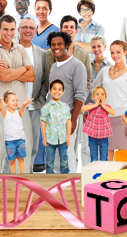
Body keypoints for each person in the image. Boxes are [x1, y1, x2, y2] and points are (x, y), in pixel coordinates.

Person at [0, 15, 35, 174]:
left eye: (12, 29)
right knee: (0, 149)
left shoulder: (20, 48)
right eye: (5, 29)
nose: (9, 32)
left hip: (20, 105)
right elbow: (3, 76)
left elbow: (31, 76)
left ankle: (23, 185)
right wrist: (20, 69)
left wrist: (11, 70)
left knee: (24, 146)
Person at [42, 16, 91, 173]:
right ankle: (56, 188)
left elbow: (80, 94)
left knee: (67, 156)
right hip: (52, 118)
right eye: (53, 45)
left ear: (66, 45)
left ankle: (70, 189)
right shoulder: (55, 66)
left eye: (60, 44)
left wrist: (74, 118)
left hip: (67, 117)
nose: (56, 47)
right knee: (54, 157)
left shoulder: (77, 66)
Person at [91, 40, 127, 160]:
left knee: (124, 159)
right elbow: (93, 87)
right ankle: (106, 179)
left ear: (125, 52)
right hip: (105, 119)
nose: (115, 55)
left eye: (118, 52)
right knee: (106, 158)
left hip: (123, 119)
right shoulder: (105, 70)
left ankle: (123, 179)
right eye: (112, 52)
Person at [18, 17, 48, 172]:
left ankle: (28, 180)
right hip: (15, 108)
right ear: (18, 30)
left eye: (31, 27)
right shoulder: (12, 50)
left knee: (33, 146)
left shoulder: (42, 54)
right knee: (16, 147)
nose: (28, 30)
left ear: (35, 31)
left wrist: (40, 101)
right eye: (24, 27)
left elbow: (45, 80)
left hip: (34, 107)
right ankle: (14, 180)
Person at [0, 91, 31, 173]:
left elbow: (22, 108)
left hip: (20, 140)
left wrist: (25, 104)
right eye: (13, 100)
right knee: (12, 160)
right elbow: (1, 108)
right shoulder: (5, 113)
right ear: (6, 103)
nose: (15, 102)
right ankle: (13, 175)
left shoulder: (19, 113)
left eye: (17, 100)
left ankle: (22, 175)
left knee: (21, 159)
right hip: (9, 141)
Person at [41, 79, 71, 173]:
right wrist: (44, 137)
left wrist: (68, 137)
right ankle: (50, 181)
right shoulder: (47, 107)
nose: (57, 91)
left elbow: (68, 121)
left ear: (62, 91)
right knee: (49, 162)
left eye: (59, 89)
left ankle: (65, 180)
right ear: (50, 91)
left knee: (64, 161)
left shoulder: (65, 107)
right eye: (54, 89)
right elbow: (43, 122)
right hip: (50, 139)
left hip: (62, 138)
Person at [82, 86, 115, 162]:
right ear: (93, 97)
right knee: (94, 159)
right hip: (92, 137)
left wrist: (102, 105)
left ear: (105, 97)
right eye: (97, 94)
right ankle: (94, 173)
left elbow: (113, 113)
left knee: (104, 158)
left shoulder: (107, 107)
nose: (100, 96)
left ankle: (103, 172)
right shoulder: (91, 106)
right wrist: (96, 104)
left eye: (102, 94)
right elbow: (83, 109)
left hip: (104, 137)